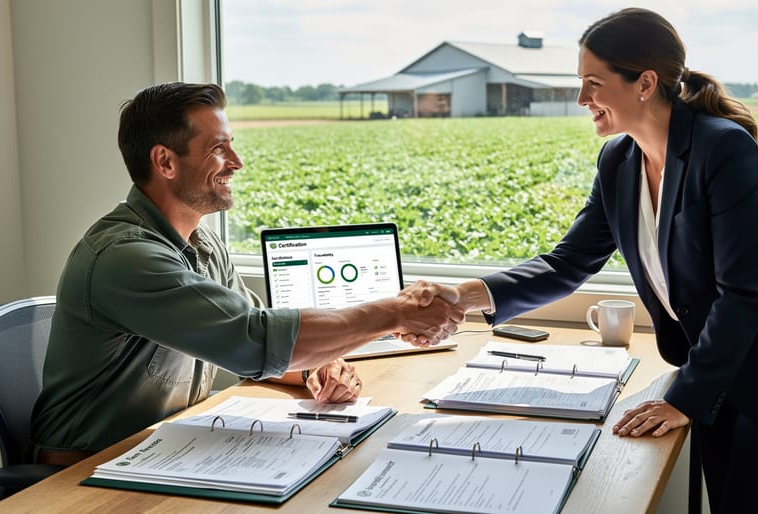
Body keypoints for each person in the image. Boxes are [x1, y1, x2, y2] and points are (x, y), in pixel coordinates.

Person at [408, 8, 758, 513]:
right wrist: (461, 298)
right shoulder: (619, 160)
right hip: (715, 370)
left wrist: (684, 397)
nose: (581, 99)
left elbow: (743, 293)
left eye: (593, 83)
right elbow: (568, 262)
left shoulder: (723, 150)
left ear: (644, 83)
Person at [30, 82, 463, 466]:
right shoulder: (126, 257)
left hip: (168, 448)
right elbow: (253, 339)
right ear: (164, 161)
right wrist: (395, 313)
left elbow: (260, 346)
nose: (236, 162)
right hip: (87, 470)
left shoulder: (202, 243)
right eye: (218, 148)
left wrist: (315, 369)